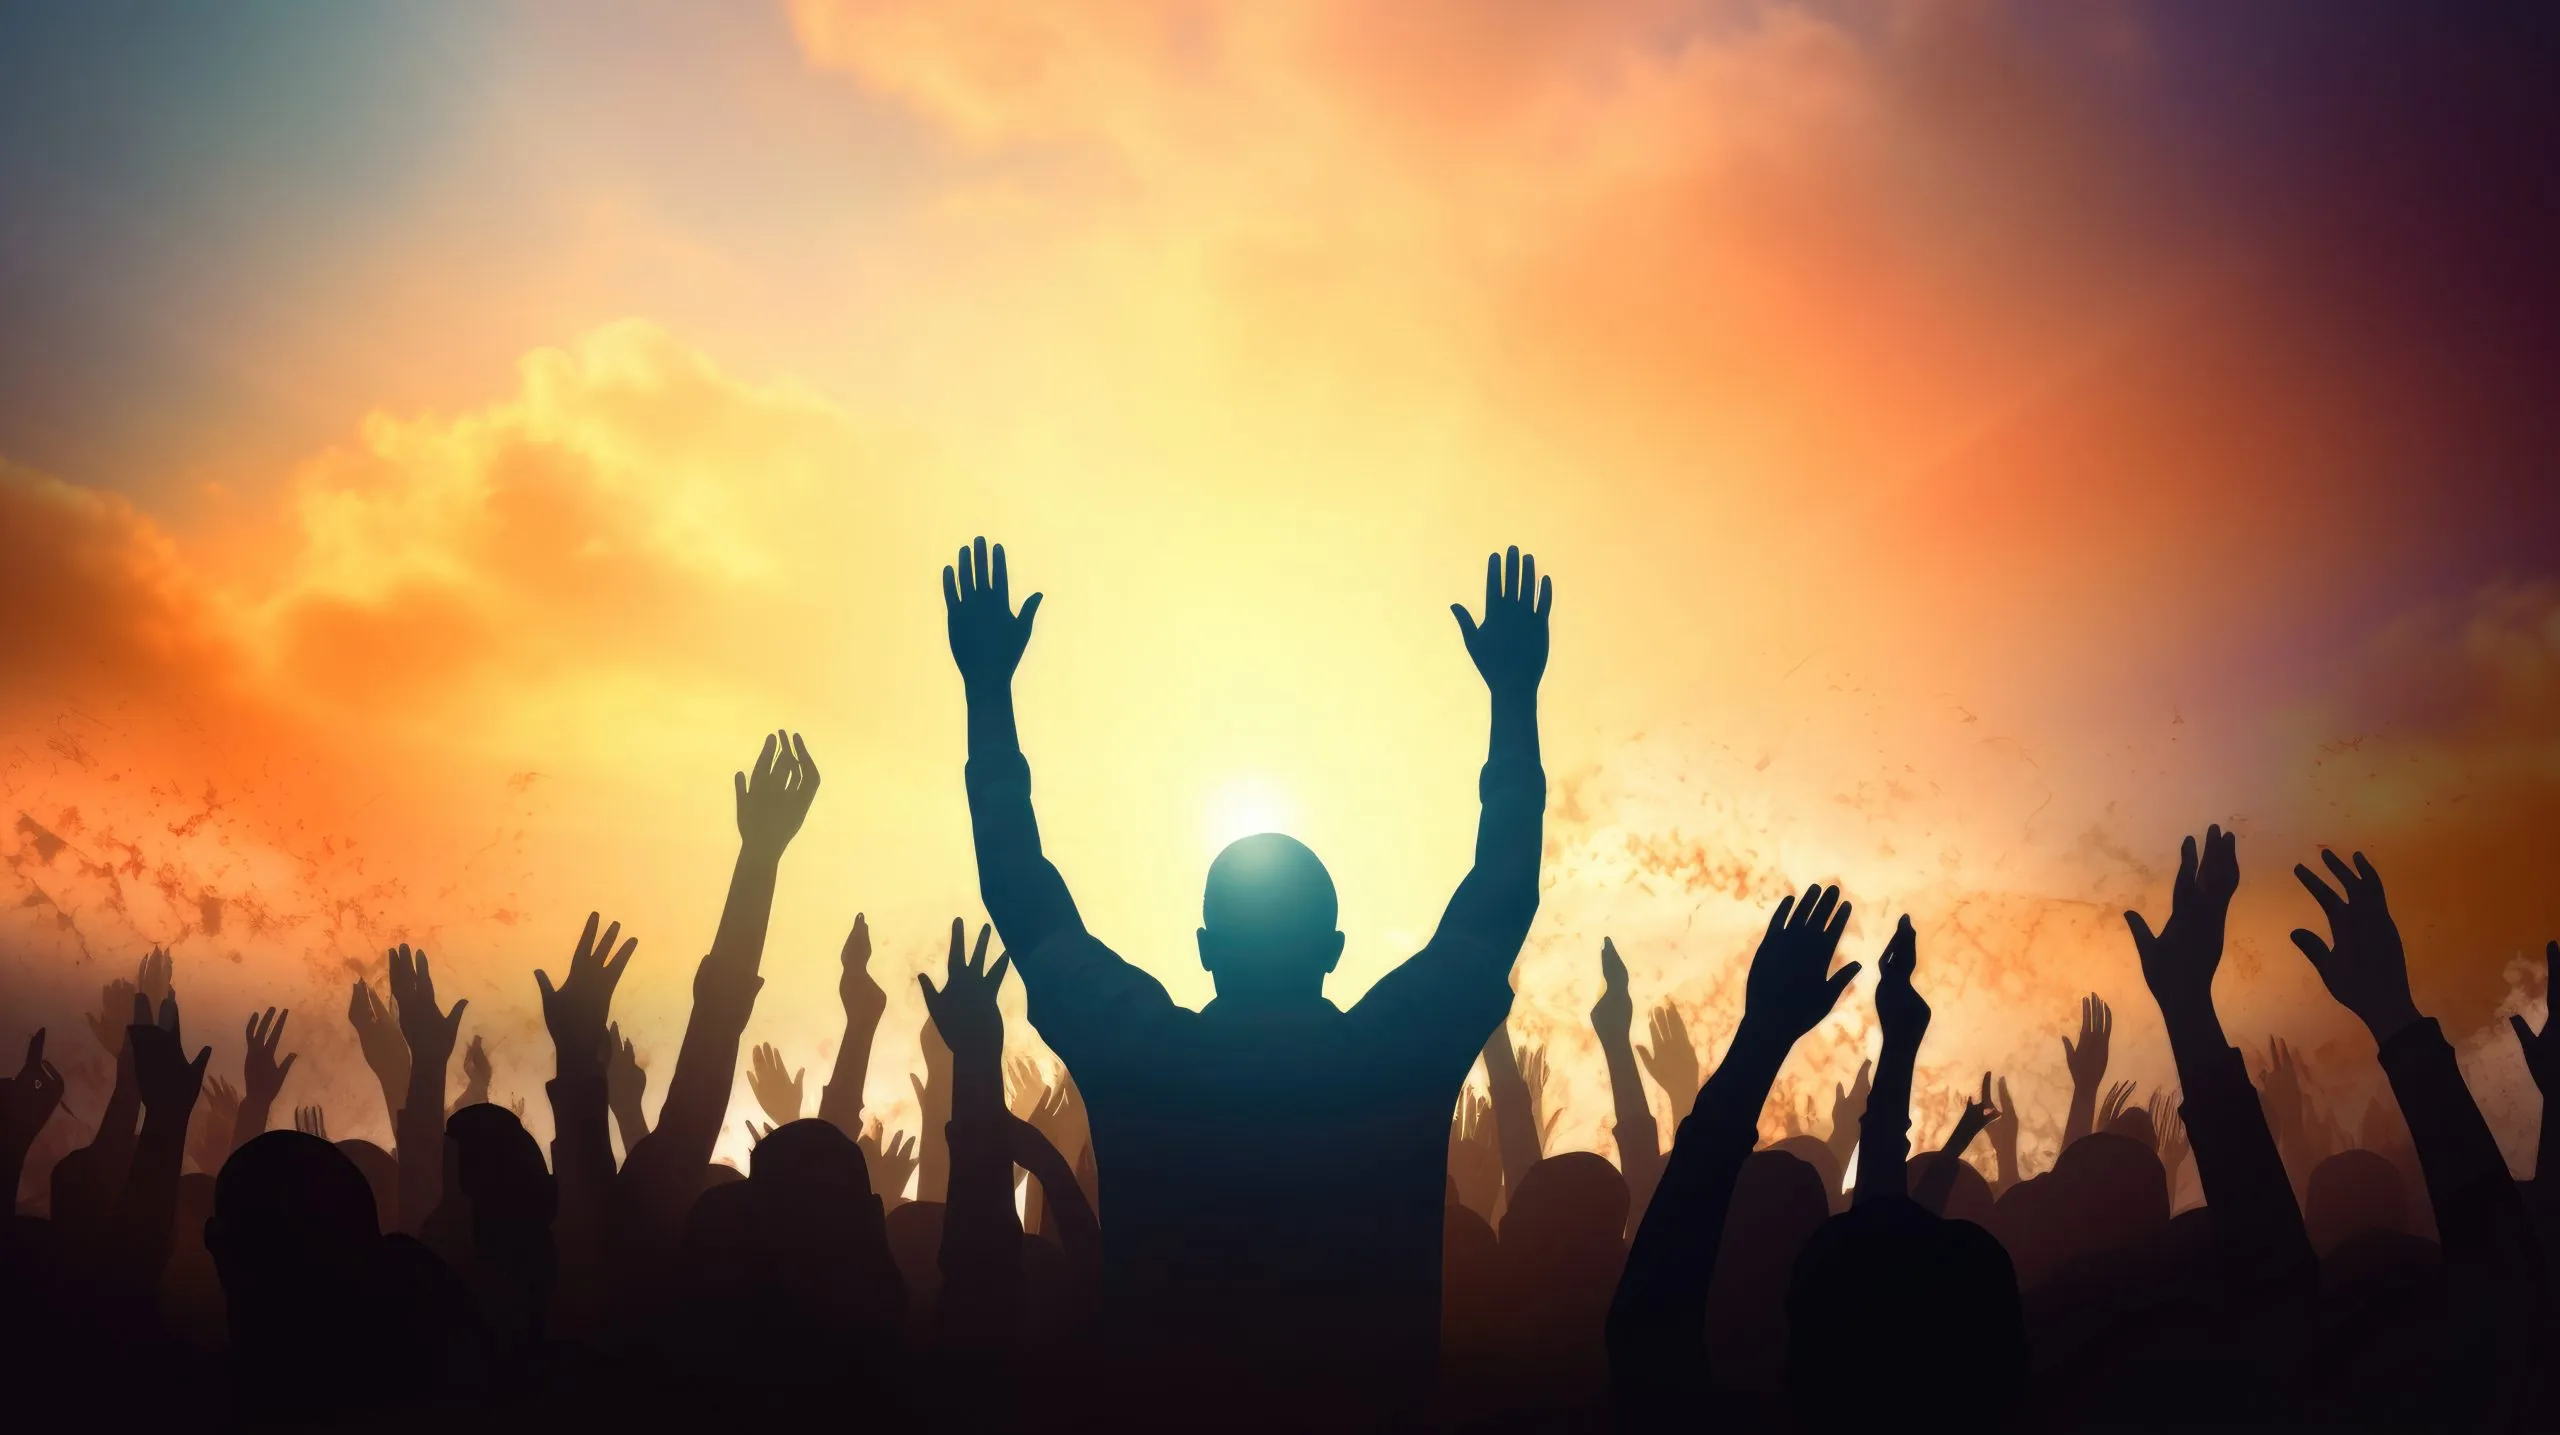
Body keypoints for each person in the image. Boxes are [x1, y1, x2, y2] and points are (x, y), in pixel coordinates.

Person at [944, 537, 1551, 1405]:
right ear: (1333, 950)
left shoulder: (1140, 1052)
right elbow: (1501, 894)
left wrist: (986, 690)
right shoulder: (1396, 1055)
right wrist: (1515, 699)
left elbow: (1019, 887)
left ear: (1204, 945)